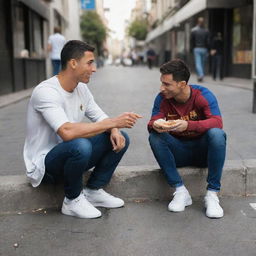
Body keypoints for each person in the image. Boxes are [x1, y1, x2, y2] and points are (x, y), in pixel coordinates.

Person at [24, 40, 142, 219]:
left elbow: (101, 117)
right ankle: (72, 201)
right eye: (89, 63)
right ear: (73, 63)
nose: (94, 69)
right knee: (80, 145)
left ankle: (93, 190)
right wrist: (112, 123)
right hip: (45, 165)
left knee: (121, 137)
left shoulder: (82, 89)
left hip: (72, 156)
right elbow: (66, 132)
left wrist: (115, 128)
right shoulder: (46, 92)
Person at [148, 59, 226, 219]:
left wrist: (188, 125)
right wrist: (157, 124)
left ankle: (212, 194)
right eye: (162, 83)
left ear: (182, 84)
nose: (162, 88)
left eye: (167, 84)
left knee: (217, 135)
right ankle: (180, 191)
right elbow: (152, 121)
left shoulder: (202, 95)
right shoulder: (162, 98)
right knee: (155, 137)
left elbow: (217, 122)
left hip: (203, 153)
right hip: (178, 153)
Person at [190, 17, 210, 82]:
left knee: (198, 63)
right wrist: (208, 49)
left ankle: (200, 75)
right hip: (204, 49)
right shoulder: (206, 31)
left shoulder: (194, 31)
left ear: (198, 22)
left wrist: (191, 49)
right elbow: (208, 41)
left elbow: (192, 41)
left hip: (197, 49)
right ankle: (200, 76)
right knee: (202, 63)